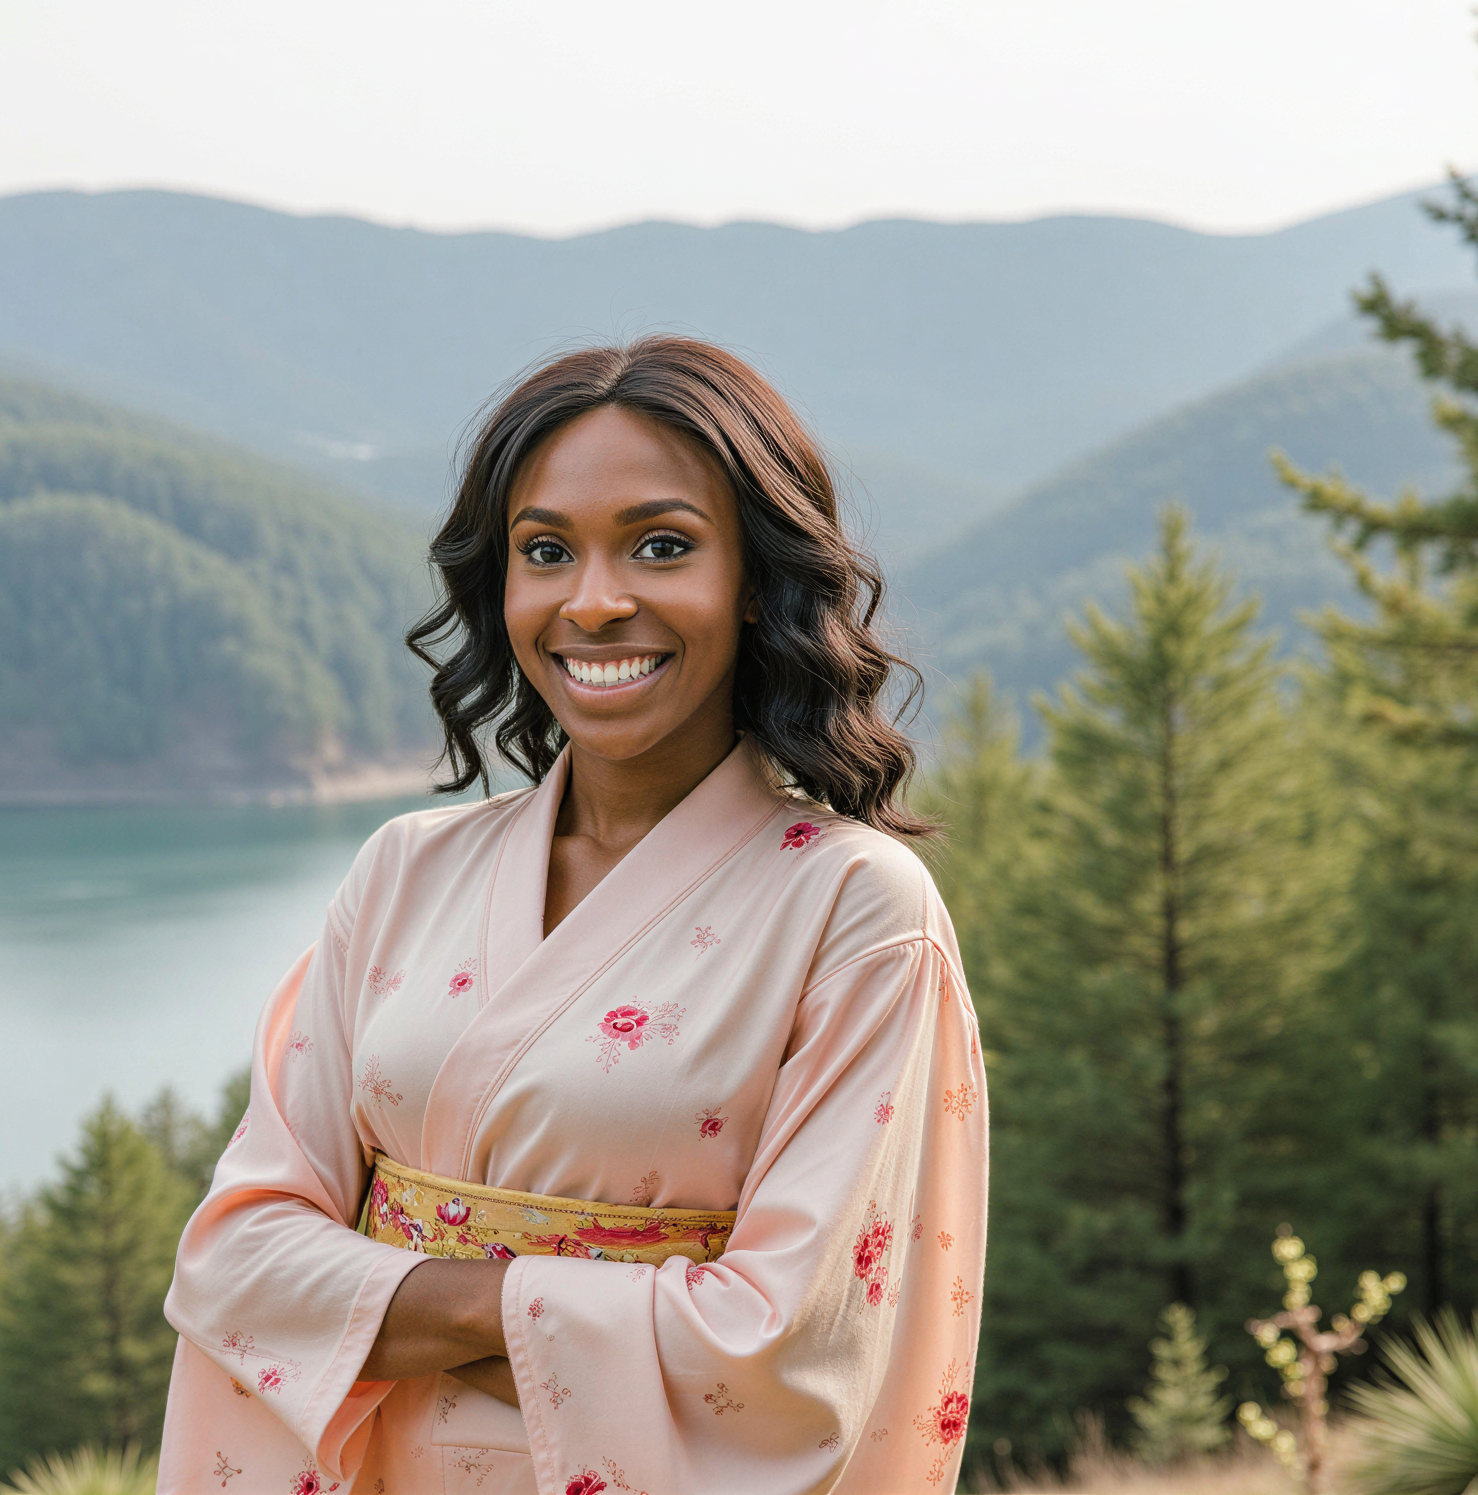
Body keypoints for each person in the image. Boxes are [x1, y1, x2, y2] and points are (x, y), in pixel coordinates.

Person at [157, 337, 987, 1495]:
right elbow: (234, 1261)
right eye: (544, 551)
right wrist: (608, 1312)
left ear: (754, 580)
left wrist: (386, 1288)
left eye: (660, 546)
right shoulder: (404, 870)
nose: (593, 603)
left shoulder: (851, 909)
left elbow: (785, 1350)